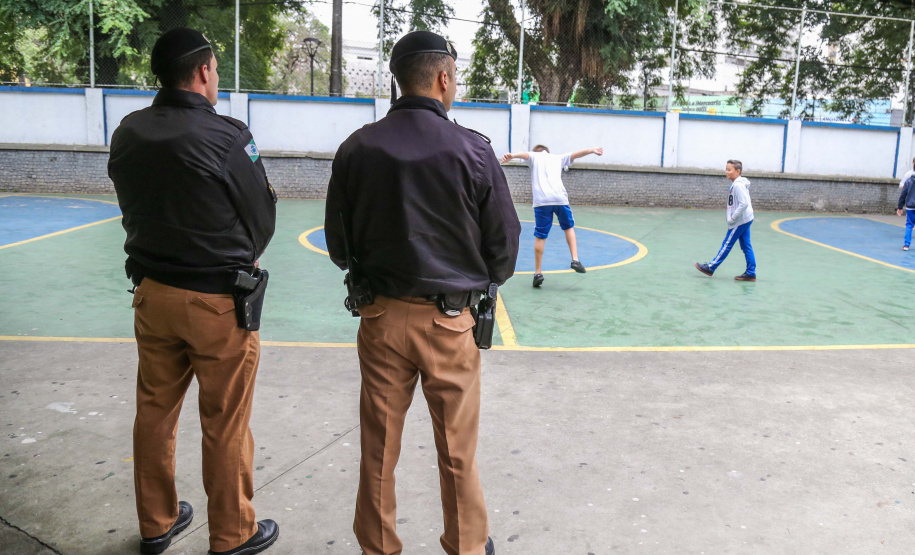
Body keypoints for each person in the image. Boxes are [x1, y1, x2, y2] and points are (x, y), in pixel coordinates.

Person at [324, 30, 520, 555]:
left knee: (378, 448)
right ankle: (466, 545)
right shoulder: (473, 150)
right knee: (457, 448)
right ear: (443, 77)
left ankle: (379, 546)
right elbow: (504, 246)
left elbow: (337, 244)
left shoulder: (356, 147)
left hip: (380, 317)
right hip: (450, 322)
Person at [108, 27, 279, 555]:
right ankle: (232, 534)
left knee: (154, 411)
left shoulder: (129, 131)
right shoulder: (229, 137)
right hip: (215, 302)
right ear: (203, 72)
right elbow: (263, 217)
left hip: (152, 293)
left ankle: (156, 523)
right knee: (225, 420)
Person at [500, 145, 603, 287]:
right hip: (560, 199)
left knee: (540, 235)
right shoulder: (557, 158)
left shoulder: (534, 157)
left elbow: (525, 155)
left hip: (542, 202)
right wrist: (591, 150)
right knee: (569, 227)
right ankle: (575, 259)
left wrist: (512, 155)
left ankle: (538, 272)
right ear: (547, 152)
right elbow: (575, 153)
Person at [695, 159, 757, 281]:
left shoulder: (738, 185)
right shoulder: (737, 183)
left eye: (729, 170)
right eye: (726, 169)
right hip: (746, 218)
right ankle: (751, 272)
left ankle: (711, 268)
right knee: (746, 246)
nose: (726, 172)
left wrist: (733, 218)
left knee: (727, 244)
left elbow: (743, 204)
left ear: (737, 171)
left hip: (740, 220)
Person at [898, 173, 915, 251]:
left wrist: (900, 207)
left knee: (909, 225)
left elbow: (903, 194)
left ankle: (906, 245)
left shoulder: (908, 181)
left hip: (910, 206)